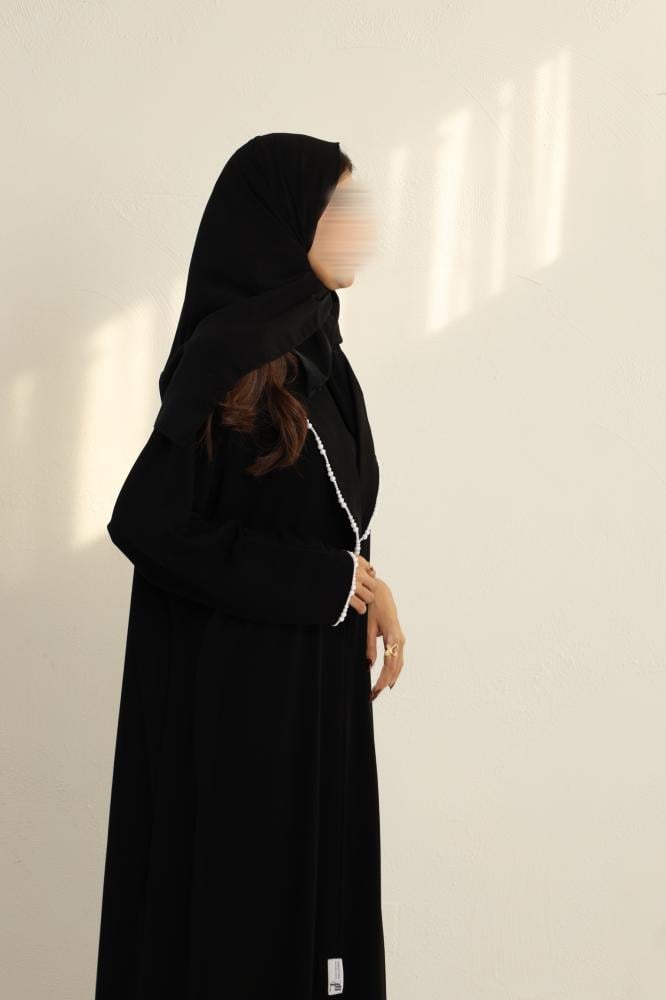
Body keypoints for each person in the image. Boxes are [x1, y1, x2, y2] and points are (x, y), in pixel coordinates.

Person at [94, 132, 406, 1000]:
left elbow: (318, 512)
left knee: (318, 923)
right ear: (283, 223)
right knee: (248, 923)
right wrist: (322, 583)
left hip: (313, 685)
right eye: (340, 210)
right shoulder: (227, 356)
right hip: (240, 703)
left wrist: (370, 587)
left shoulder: (324, 361)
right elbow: (146, 522)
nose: (361, 228)